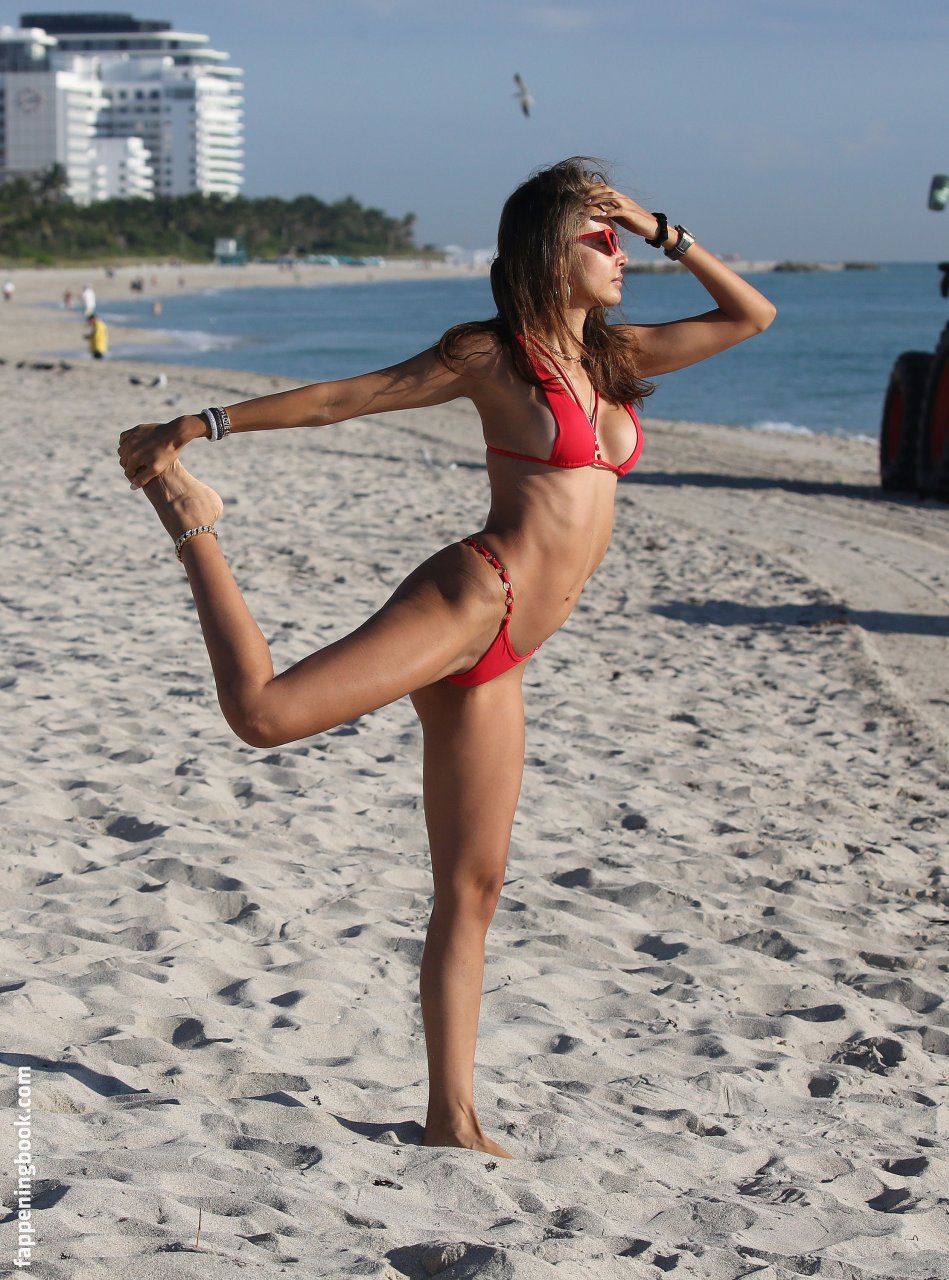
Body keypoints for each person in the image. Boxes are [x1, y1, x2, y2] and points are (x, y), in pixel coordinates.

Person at [118, 157, 776, 1158]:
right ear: (546, 252)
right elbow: (348, 399)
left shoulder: (613, 358)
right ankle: (189, 520)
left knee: (474, 885)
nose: (620, 255)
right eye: (599, 238)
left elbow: (749, 315)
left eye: (621, 240)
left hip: (508, 654)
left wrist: (660, 228)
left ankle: (450, 1117)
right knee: (264, 715)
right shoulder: (492, 355)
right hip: (478, 593)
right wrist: (203, 425)